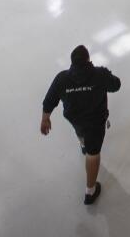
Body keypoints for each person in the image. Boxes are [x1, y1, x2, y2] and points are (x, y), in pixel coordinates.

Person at [41, 45, 122, 206]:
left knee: (81, 133)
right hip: (96, 122)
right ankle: (90, 191)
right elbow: (116, 85)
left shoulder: (61, 79)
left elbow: (49, 101)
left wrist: (45, 119)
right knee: (93, 154)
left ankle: (83, 144)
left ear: (72, 63)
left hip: (75, 120)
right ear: (88, 60)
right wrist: (107, 75)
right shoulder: (100, 74)